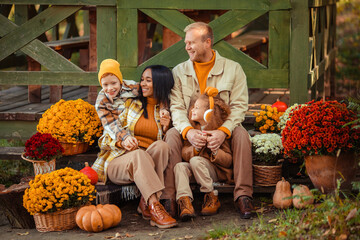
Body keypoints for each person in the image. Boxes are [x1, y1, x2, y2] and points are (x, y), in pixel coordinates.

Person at [162, 22, 254, 219]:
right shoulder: (179, 71)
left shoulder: (233, 69)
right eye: (186, 43)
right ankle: (170, 198)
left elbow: (239, 107)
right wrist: (188, 131)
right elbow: (176, 107)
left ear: (207, 43)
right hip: (190, 135)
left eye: (191, 43)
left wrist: (223, 132)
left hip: (221, 136)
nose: (187, 47)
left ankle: (243, 195)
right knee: (170, 134)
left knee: (241, 134)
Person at [92, 64, 177, 229]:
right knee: (139, 155)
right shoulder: (129, 103)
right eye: (142, 80)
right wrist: (122, 140)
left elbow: (165, 151)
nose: (142, 84)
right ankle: (154, 206)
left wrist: (167, 128)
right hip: (119, 161)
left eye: (148, 80)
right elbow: (106, 135)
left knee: (162, 146)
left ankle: (144, 202)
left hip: (146, 165)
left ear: (160, 83)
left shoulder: (166, 110)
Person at [174, 87, 232, 221]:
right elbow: (185, 152)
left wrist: (215, 150)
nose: (192, 110)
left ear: (208, 112)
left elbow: (228, 160)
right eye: (193, 107)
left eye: (196, 107)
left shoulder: (217, 133)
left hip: (213, 173)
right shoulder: (194, 131)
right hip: (196, 172)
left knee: (195, 161)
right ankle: (185, 201)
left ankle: (211, 195)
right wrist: (194, 148)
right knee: (180, 166)